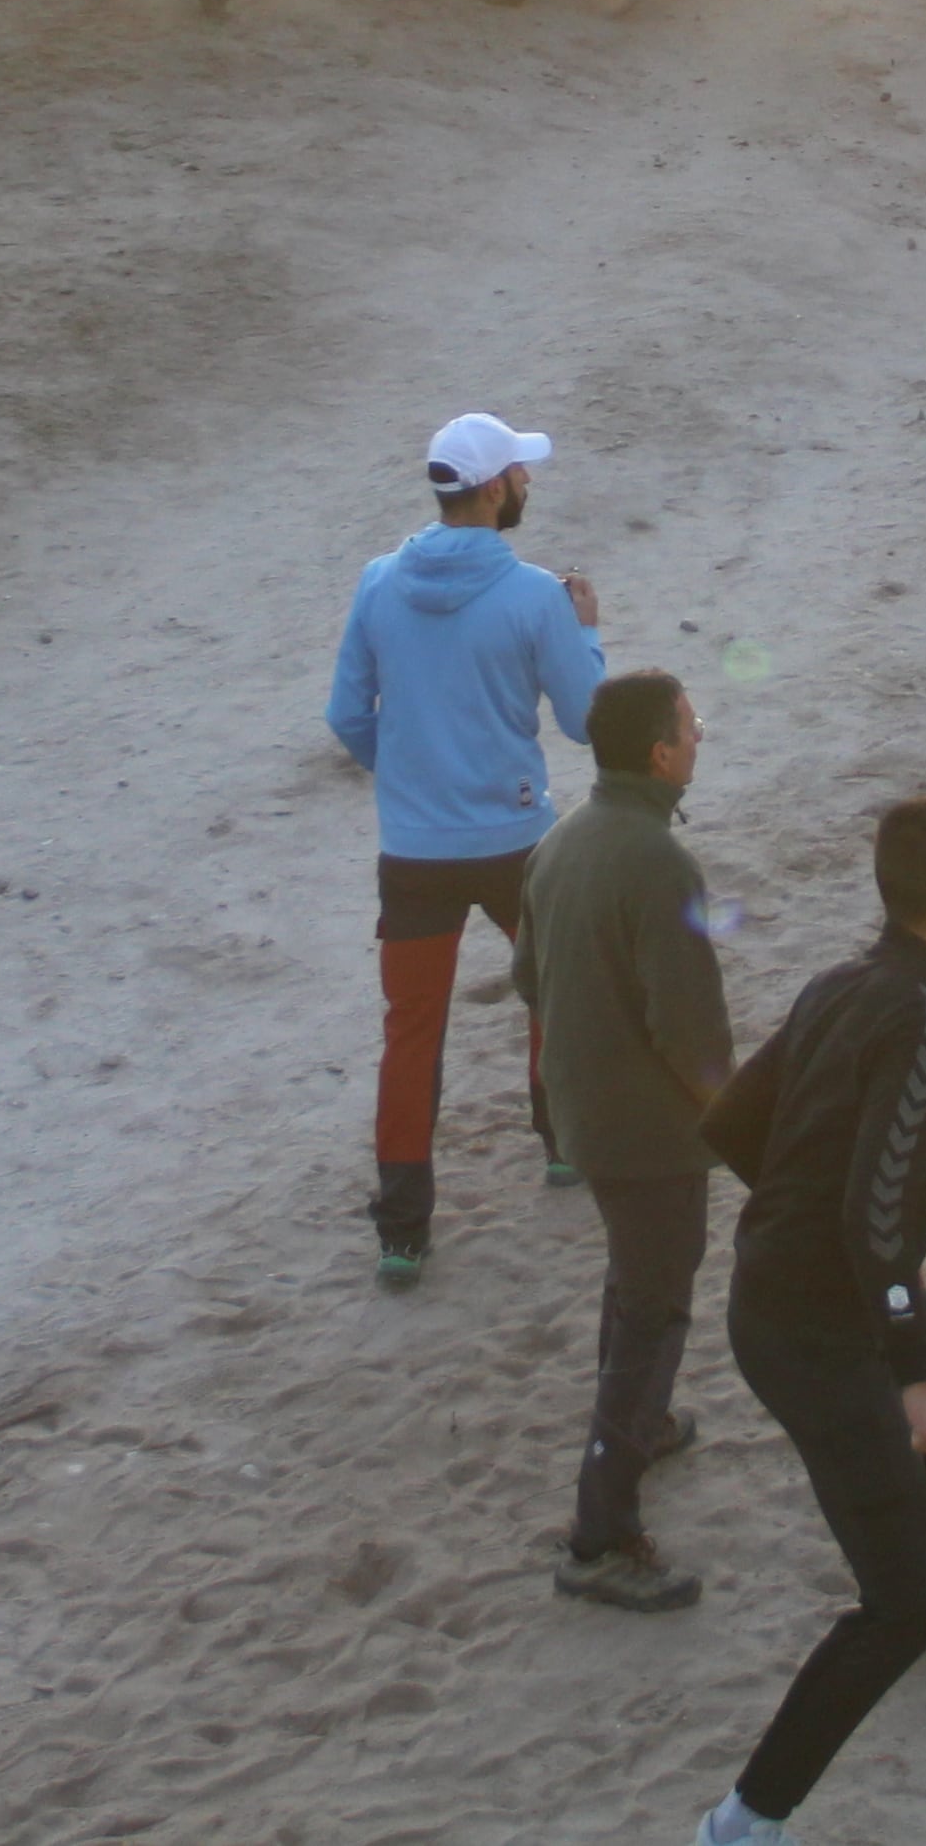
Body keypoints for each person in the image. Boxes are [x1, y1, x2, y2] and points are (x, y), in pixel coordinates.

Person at [691, 794, 926, 1846]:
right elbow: (878, 1212)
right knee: (895, 1602)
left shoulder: (841, 980)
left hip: (792, 1285)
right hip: (812, 1326)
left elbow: (730, 1123)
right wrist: (906, 1373)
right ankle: (743, 1823)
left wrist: (814, 1235)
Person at [324, 411, 610, 1285]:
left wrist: (407, 781)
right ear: (492, 489)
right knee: (552, 986)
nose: (529, 481)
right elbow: (586, 718)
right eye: (521, 472)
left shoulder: (378, 583)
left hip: (413, 852)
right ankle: (561, 1141)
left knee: (411, 1033)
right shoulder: (533, 596)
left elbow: (346, 716)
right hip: (515, 837)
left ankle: (403, 1229)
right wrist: (588, 631)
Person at [522, 671, 735, 1615]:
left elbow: (528, 974)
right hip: (646, 1132)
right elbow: (689, 1029)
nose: (698, 738)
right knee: (655, 1308)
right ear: (659, 753)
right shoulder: (656, 859)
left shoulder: (562, 837)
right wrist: (731, 1118)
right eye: (692, 727)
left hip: (585, 1114)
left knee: (634, 1283)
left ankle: (640, 1426)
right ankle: (600, 1534)